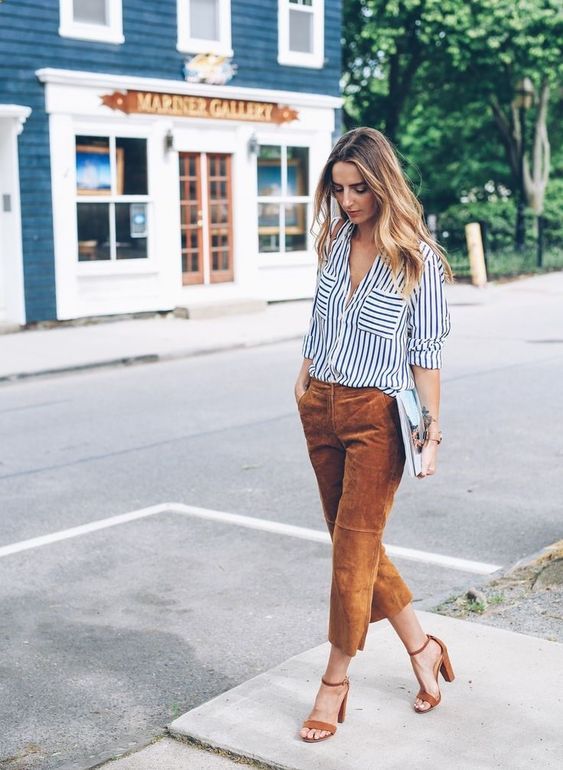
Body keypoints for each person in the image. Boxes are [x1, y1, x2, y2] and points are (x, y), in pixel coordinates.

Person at [295, 127, 455, 743]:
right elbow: (319, 318)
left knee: (353, 546)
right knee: (350, 540)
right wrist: (304, 380)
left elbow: (427, 353)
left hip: (376, 416)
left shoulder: (419, 259)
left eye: (359, 188)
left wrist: (432, 432)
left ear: (383, 183)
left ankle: (335, 680)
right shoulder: (336, 242)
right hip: (321, 407)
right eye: (338, 190)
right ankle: (423, 646)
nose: (348, 201)